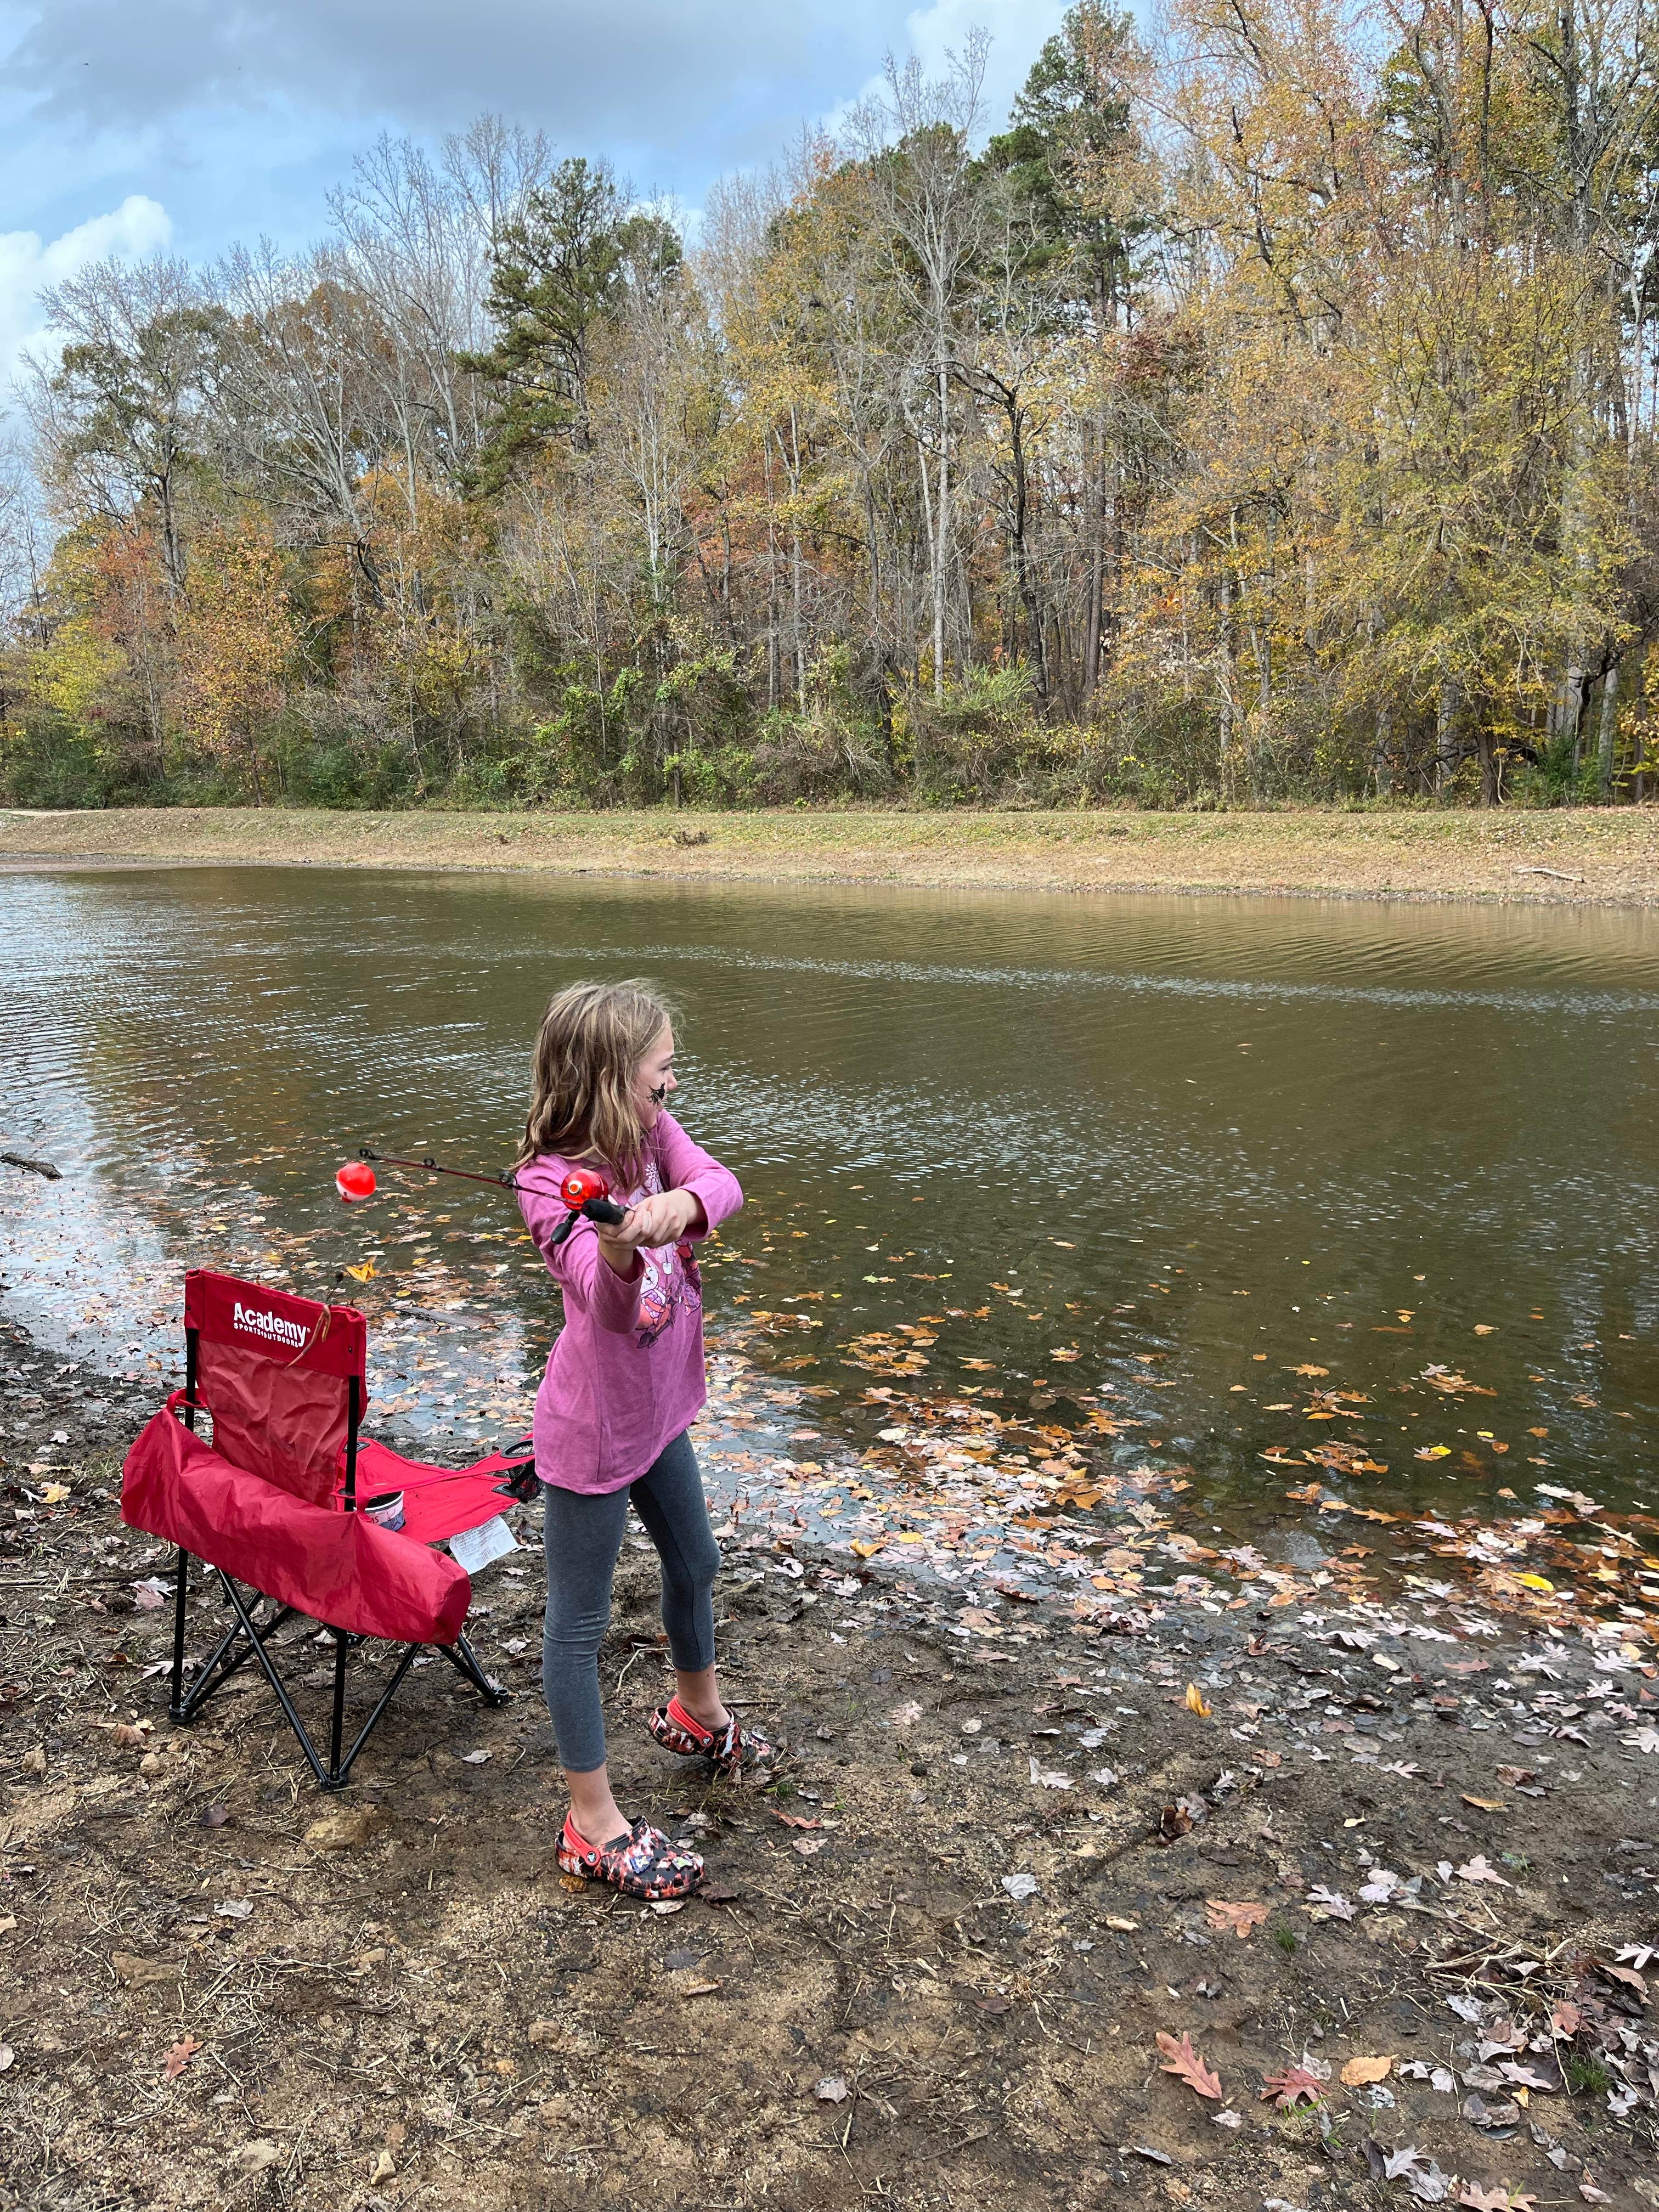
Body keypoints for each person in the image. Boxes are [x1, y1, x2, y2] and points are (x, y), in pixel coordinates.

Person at [514, 979, 781, 1899]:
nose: (673, 1087)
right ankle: (591, 1823)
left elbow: (724, 1181)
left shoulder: (649, 1138)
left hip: (659, 1411)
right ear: (606, 1078)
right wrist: (624, 1248)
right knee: (577, 1625)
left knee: (697, 1564)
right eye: (660, 1073)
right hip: (592, 1433)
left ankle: (697, 1714)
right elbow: (603, 1297)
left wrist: (684, 1208)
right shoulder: (547, 1184)